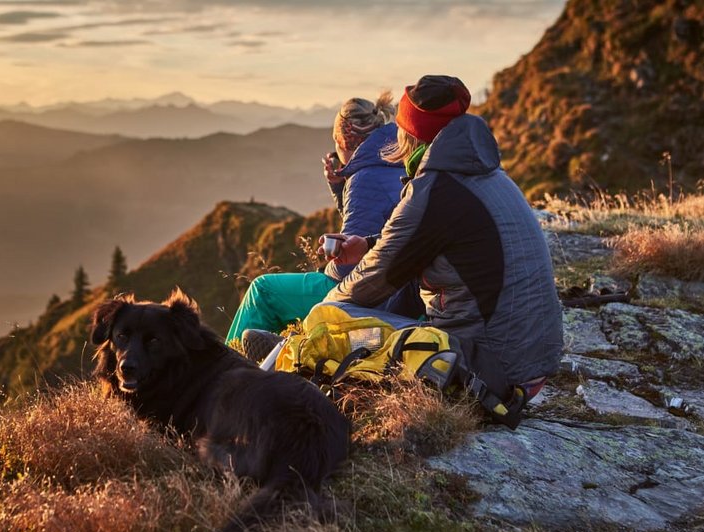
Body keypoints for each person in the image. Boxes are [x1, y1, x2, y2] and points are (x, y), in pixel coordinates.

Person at [323, 75, 563, 412]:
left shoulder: (433, 190)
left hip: (488, 372)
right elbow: (435, 239)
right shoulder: (488, 175)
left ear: (411, 134)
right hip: (530, 364)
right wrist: (368, 244)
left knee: (342, 320)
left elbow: (369, 284)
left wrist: (319, 315)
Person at [226, 91, 404, 346]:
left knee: (262, 290)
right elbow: (369, 224)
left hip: (372, 295)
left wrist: (326, 267)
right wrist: (340, 186)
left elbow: (347, 267)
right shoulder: (396, 161)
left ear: (344, 142)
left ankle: (233, 361)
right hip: (398, 288)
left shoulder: (364, 178)